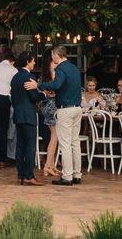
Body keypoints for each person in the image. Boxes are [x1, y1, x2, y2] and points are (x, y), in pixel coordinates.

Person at [27, 45, 82, 186]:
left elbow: (56, 85)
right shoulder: (75, 68)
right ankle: (77, 174)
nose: (51, 57)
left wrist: (38, 85)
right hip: (77, 108)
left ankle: (67, 176)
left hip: (65, 109)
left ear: (56, 55)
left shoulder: (61, 69)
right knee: (75, 142)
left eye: (52, 55)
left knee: (65, 143)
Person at [9, 52, 45, 186]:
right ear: (27, 62)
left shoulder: (15, 77)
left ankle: (20, 175)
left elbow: (13, 97)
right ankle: (29, 175)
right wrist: (44, 94)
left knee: (20, 146)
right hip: (28, 114)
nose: (34, 63)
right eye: (33, 61)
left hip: (18, 114)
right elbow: (33, 97)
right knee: (30, 146)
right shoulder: (29, 77)